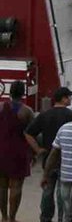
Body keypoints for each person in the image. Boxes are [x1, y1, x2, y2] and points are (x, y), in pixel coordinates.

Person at [24, 86, 72, 222]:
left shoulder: (45, 115)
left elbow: (28, 134)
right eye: (69, 96)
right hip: (66, 160)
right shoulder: (71, 116)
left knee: (47, 190)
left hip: (48, 160)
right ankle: (62, 218)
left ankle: (46, 218)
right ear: (64, 99)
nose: (70, 99)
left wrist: (38, 149)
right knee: (63, 193)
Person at [0, 81, 32, 222]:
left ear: (10, 91)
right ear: (23, 92)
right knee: (16, 185)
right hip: (19, 151)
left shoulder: (0, 107)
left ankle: (3, 216)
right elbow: (33, 133)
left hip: (1, 149)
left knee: (1, 186)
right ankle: (12, 218)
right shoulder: (27, 111)